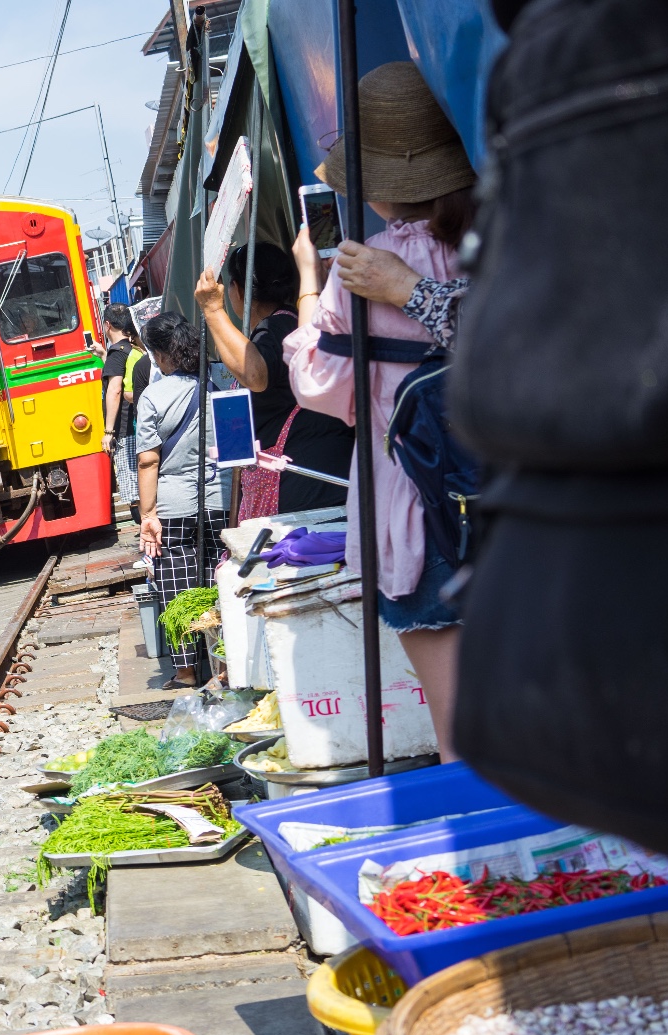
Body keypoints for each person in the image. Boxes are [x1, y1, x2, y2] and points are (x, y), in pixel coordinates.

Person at [285, 60, 475, 759]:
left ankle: (499, 860)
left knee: (464, 735)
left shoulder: (361, 269)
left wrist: (311, 287)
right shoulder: (498, 242)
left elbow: (320, 385)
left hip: (417, 514)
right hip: (521, 503)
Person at [194, 247, 355, 518]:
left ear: (237, 289)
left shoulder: (277, 328)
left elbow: (255, 375)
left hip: (302, 483)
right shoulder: (290, 324)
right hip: (319, 477)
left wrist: (212, 310)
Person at [135, 310, 225, 688]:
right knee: (220, 581)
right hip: (220, 498)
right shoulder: (218, 385)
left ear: (161, 354)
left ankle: (187, 672)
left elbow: (147, 460)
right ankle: (224, 667)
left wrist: (148, 514)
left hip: (172, 507)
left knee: (177, 586)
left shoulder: (153, 396)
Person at [99, 304, 149, 518]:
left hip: (126, 430)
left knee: (134, 494)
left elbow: (115, 389)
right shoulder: (134, 349)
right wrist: (103, 356)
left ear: (107, 325)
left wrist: (108, 432)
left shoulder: (117, 353)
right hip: (139, 424)